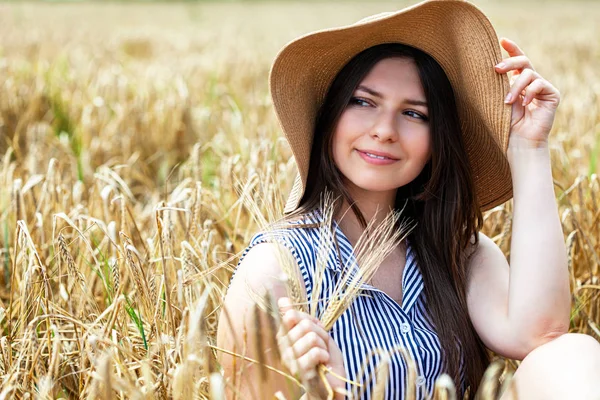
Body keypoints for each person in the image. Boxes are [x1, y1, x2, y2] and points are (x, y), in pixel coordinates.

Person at [216, 0, 600, 399]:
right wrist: (316, 390)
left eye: (415, 114)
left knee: (570, 356)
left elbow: (539, 334)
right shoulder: (275, 274)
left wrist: (530, 148)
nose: (384, 130)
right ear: (329, 116)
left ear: (438, 140)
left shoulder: (457, 252)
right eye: (363, 102)